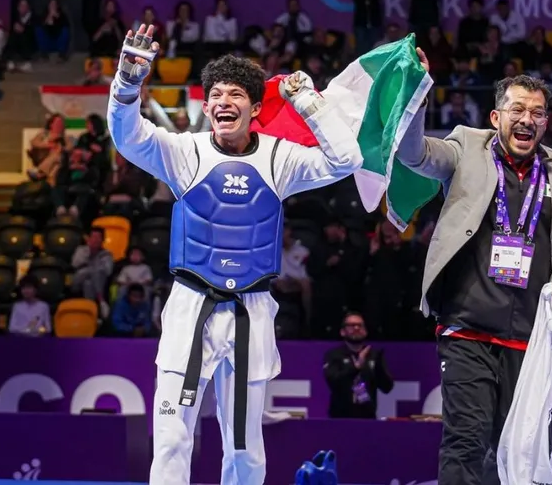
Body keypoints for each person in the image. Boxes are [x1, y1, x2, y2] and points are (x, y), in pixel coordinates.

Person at [107, 24, 362, 485]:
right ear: (206, 108)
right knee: (171, 439)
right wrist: (127, 81)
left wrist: (308, 102)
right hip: (191, 306)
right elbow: (128, 138)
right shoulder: (184, 152)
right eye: (216, 95)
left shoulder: (281, 158)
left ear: (255, 108)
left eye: (236, 94)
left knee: (245, 449)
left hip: (252, 308)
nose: (224, 102)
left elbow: (347, 160)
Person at [396, 65, 552, 485]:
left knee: (528, 451)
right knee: (467, 441)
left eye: (537, 113)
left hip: (531, 339)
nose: (527, 119)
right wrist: (417, 96)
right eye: (517, 109)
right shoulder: (467, 147)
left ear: (546, 123)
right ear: (495, 116)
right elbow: (415, 155)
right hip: (468, 328)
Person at [323, 312, 394, 419]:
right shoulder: (334, 355)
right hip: (340, 418)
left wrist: (379, 368)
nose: (356, 328)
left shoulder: (373, 355)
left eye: (360, 325)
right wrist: (355, 368)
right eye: (351, 325)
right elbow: (333, 381)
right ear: (342, 332)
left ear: (366, 331)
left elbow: (387, 388)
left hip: (368, 418)